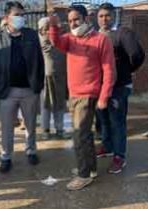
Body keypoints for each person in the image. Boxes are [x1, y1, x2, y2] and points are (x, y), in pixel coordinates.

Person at [48, 5, 115, 190]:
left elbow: (109, 70)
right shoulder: (70, 39)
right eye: (69, 21)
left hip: (88, 94)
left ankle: (83, 175)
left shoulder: (100, 40)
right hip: (74, 94)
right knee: (86, 135)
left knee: (79, 136)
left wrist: (104, 96)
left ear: (86, 18)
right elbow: (56, 42)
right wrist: (53, 26)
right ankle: (90, 169)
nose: (73, 23)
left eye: (76, 19)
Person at [0, 1, 45, 173]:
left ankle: (31, 150)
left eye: (22, 14)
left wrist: (38, 84)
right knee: (6, 127)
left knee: (30, 124)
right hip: (8, 91)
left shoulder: (31, 35)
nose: (21, 18)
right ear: (6, 18)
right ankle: (6, 156)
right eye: (17, 15)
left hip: (29, 90)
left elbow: (40, 61)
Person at [95, 3, 145, 174]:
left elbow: (138, 54)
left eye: (107, 15)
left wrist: (127, 71)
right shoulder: (97, 35)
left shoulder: (122, 33)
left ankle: (119, 156)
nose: (104, 19)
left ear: (114, 15)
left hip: (118, 87)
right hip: (100, 88)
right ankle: (107, 146)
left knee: (117, 122)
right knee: (104, 120)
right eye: (101, 16)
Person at [36, 17, 69, 140]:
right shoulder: (39, 41)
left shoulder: (60, 40)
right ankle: (45, 130)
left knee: (59, 104)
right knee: (46, 105)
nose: (47, 32)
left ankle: (59, 129)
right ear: (40, 30)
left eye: (49, 29)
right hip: (45, 78)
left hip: (60, 76)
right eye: (45, 29)